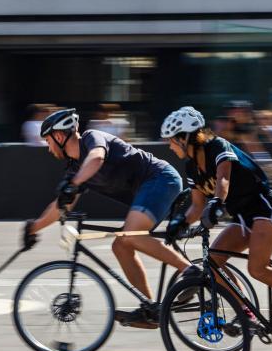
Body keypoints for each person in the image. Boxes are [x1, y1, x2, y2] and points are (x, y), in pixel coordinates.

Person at [23, 108, 201, 329]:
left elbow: (97, 158)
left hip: (160, 179)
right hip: (146, 192)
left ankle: (191, 271)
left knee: (130, 235)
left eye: (48, 141)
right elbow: (61, 206)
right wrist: (33, 227)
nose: (49, 149)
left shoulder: (91, 138)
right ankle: (150, 309)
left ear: (59, 136)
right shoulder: (75, 169)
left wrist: (74, 184)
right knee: (121, 245)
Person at [160, 106, 272, 333]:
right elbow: (197, 205)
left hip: (264, 208)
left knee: (257, 268)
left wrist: (217, 202)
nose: (169, 145)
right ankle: (245, 314)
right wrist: (179, 224)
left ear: (184, 138)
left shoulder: (216, 145)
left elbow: (223, 179)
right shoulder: (190, 167)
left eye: (171, 140)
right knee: (212, 265)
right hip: (241, 217)